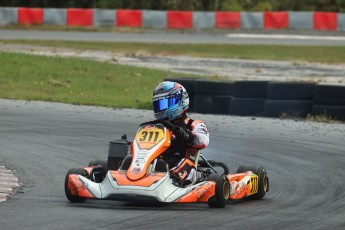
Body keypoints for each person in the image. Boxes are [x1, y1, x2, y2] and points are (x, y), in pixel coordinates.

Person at [152, 81, 209, 186]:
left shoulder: (194, 124)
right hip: (158, 162)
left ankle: (171, 181)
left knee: (185, 164)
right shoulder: (157, 127)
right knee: (130, 160)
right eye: (159, 105)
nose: (161, 108)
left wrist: (186, 135)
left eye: (165, 104)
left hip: (184, 164)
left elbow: (203, 141)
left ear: (181, 101)